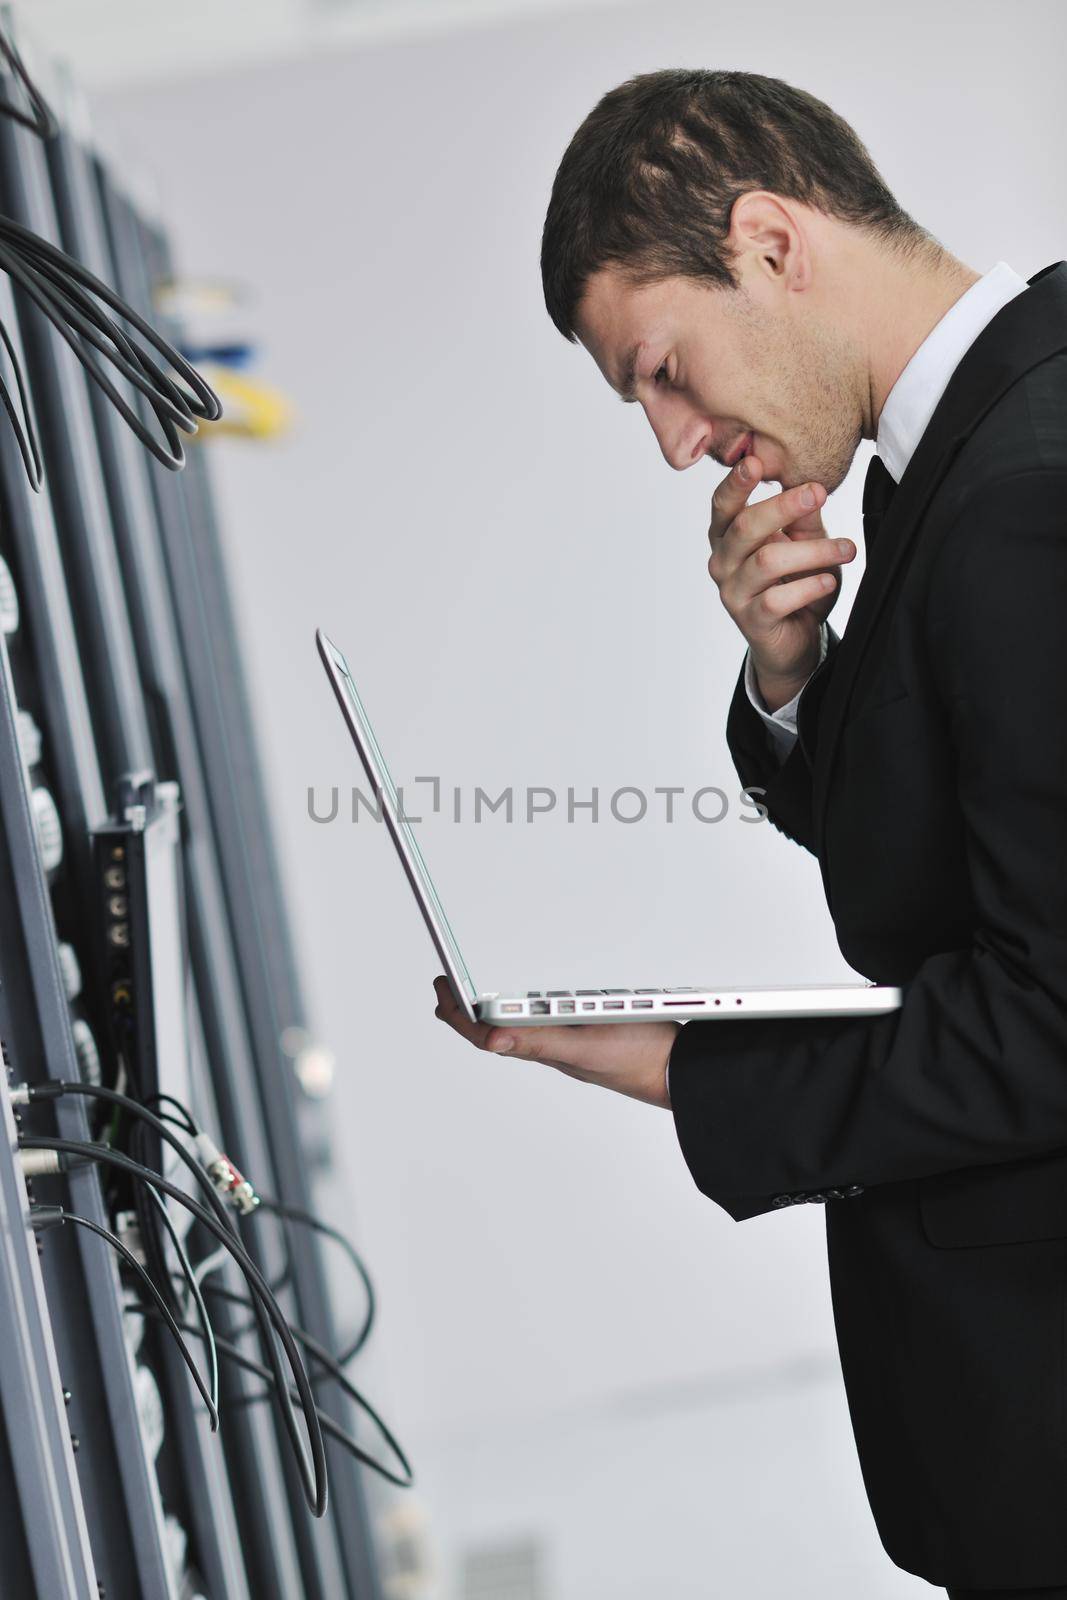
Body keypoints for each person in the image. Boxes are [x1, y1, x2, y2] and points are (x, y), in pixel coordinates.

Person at [432, 68, 1067, 1599]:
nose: (672, 442)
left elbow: (1050, 1021)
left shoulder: (1020, 503)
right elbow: (951, 868)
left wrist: (680, 1068)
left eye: (662, 369)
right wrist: (794, 676)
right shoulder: (977, 442)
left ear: (770, 243)